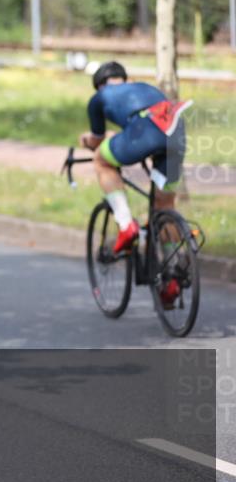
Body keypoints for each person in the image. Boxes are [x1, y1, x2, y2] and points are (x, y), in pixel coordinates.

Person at [78, 61, 191, 304]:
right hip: (175, 135)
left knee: (102, 161)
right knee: (165, 206)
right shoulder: (145, 87)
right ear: (124, 78)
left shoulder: (99, 98)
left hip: (142, 133)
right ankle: (172, 276)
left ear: (99, 85)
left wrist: (87, 141)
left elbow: (98, 141)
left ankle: (125, 223)